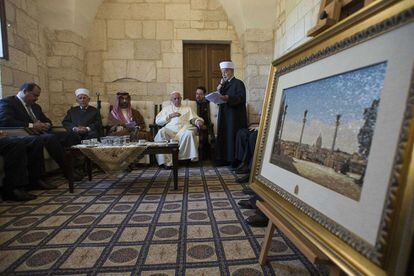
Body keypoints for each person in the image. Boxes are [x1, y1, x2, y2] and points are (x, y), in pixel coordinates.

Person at [0, 82, 78, 182]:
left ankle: (75, 167)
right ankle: (66, 171)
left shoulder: (35, 106)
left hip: (41, 132)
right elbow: (5, 121)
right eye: (35, 95)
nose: (37, 98)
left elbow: (48, 121)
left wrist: (46, 125)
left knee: (69, 134)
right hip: (24, 133)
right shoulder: (8, 102)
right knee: (49, 138)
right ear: (25, 92)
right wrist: (32, 125)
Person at [154, 91, 204, 169]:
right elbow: (157, 121)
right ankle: (167, 161)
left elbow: (194, 118)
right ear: (171, 100)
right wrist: (169, 116)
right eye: (175, 98)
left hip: (184, 129)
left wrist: (198, 121)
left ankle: (182, 159)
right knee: (161, 132)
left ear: (181, 99)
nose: (177, 100)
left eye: (178, 98)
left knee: (189, 133)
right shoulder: (166, 109)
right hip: (170, 130)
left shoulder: (188, 108)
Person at [215, 61, 248, 167]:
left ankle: (234, 161)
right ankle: (224, 159)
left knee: (232, 136)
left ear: (231, 71)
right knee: (224, 135)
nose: (223, 74)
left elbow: (241, 98)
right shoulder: (224, 84)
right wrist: (220, 87)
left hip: (234, 116)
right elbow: (219, 96)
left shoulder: (239, 83)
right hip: (224, 114)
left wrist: (228, 98)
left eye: (225, 72)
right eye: (222, 72)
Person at [0, 131, 44, 201]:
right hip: (19, 128)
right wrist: (30, 125)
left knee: (35, 139)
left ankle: (34, 180)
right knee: (16, 143)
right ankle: (12, 189)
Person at [195, 86, 213, 160]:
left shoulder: (208, 104)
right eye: (196, 94)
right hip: (194, 125)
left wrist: (205, 125)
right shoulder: (193, 104)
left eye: (200, 94)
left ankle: (205, 157)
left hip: (205, 125)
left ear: (204, 95)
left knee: (205, 133)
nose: (198, 96)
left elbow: (208, 118)